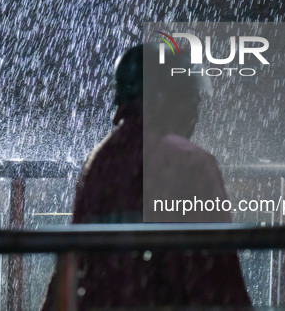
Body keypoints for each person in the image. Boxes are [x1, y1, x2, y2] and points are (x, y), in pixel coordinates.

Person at [42, 44, 252, 310]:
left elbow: (71, 271)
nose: (196, 115)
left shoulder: (98, 162)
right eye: (193, 99)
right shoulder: (191, 163)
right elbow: (218, 281)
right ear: (171, 100)